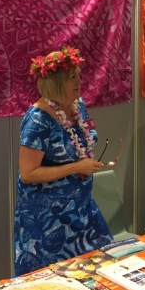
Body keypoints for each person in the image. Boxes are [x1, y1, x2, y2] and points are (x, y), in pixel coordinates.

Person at [14, 45, 113, 276]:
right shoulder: (37, 119)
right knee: (51, 278)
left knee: (96, 268)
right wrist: (76, 167)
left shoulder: (77, 105)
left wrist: (85, 164)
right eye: (72, 77)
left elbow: (82, 142)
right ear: (56, 82)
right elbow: (28, 173)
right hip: (47, 218)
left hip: (80, 208)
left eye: (79, 75)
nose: (80, 81)